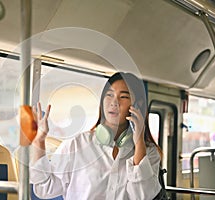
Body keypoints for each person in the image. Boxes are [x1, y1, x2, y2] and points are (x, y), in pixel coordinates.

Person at [30, 72, 163, 200]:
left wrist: (139, 141)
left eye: (123, 97)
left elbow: (143, 196)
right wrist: (39, 141)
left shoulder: (149, 152)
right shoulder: (78, 144)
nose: (114, 102)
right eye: (109, 95)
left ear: (137, 106)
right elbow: (44, 188)